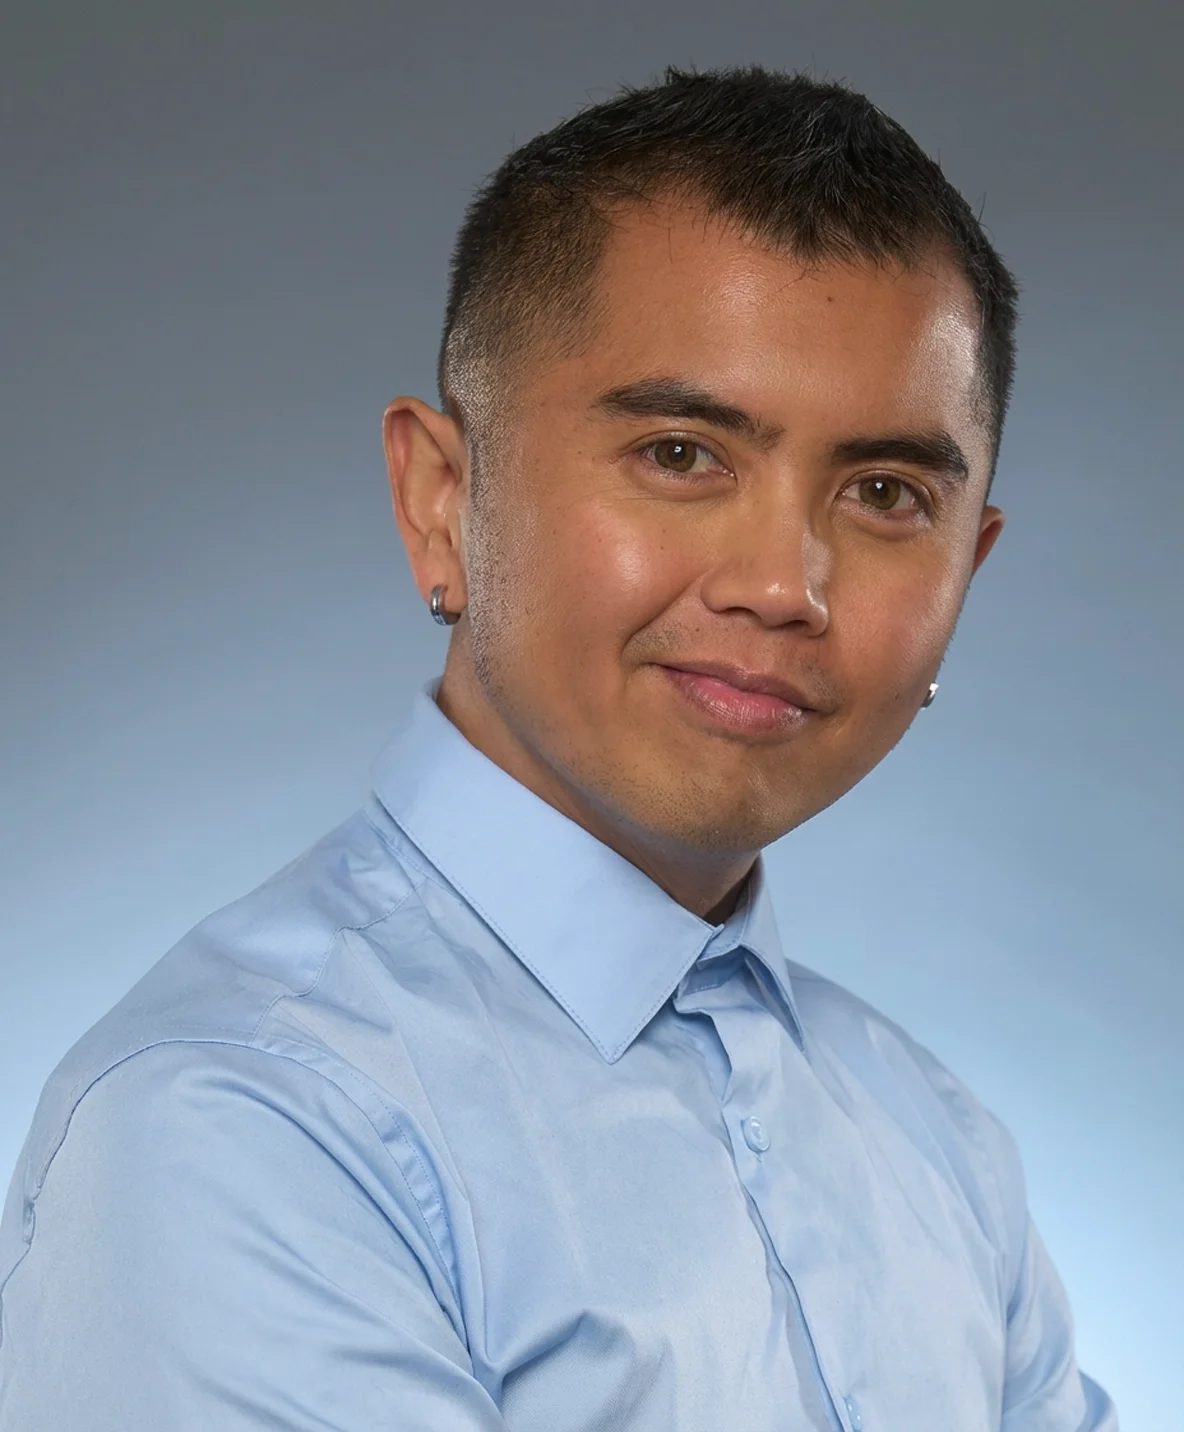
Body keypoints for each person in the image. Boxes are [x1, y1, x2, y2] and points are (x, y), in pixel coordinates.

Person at [0, 66, 1117, 1431]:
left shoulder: (940, 1144)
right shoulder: (240, 1124)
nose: (785, 584)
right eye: (682, 454)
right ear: (441, 499)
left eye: (885, 493)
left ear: (967, 570)